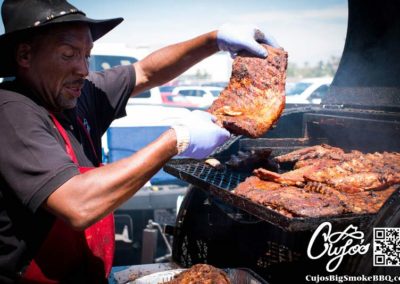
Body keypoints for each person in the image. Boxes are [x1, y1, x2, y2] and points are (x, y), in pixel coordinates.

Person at [0, 0, 279, 283]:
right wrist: (175, 140)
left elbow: (145, 71)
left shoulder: (76, 94)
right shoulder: (11, 112)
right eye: (68, 54)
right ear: (25, 55)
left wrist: (214, 40)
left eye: (86, 55)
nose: (83, 69)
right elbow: (77, 203)